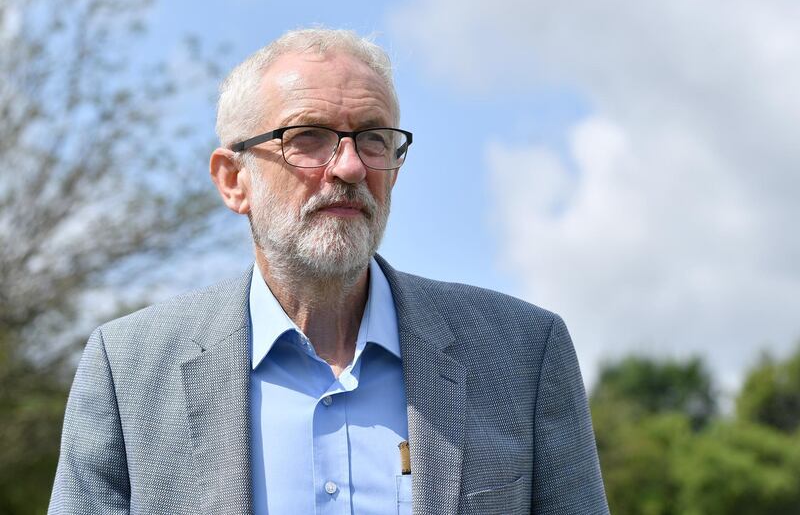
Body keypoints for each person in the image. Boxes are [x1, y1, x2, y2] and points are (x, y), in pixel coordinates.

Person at [49, 28, 609, 515]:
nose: (349, 166)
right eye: (307, 138)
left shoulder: (523, 354)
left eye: (373, 138)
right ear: (232, 180)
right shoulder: (129, 370)